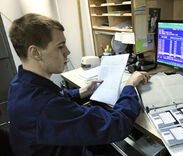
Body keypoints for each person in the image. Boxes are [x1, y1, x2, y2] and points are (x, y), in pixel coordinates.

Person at [8, 13, 150, 156]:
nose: (67, 52)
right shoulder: (46, 107)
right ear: (35, 53)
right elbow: (116, 126)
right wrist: (130, 86)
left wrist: (80, 92)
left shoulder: (19, 83)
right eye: (60, 46)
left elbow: (54, 98)